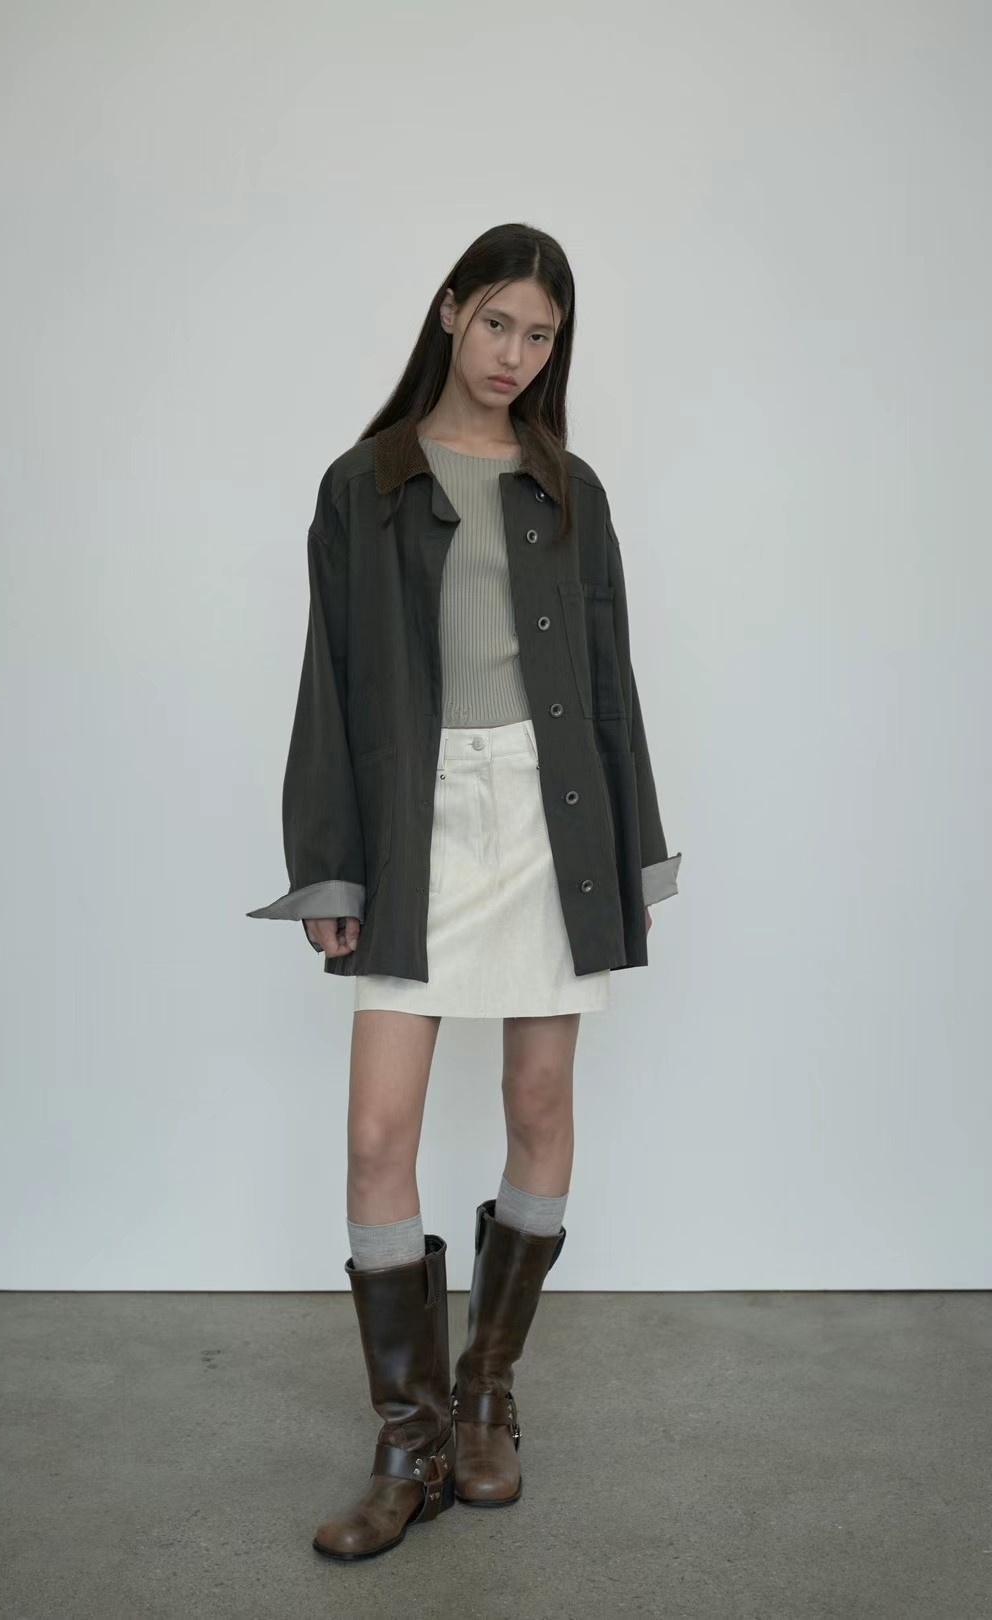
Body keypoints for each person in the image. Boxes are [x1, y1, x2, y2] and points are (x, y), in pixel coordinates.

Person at [247, 222, 682, 1561]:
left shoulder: (569, 488)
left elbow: (609, 684)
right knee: (379, 1134)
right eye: (497, 322)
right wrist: (331, 861)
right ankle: (410, 1439)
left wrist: (636, 852)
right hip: (418, 823)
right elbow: (330, 681)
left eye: (541, 335)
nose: (515, 354)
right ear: (449, 311)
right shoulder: (363, 483)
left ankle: (487, 1396)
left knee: (538, 1104)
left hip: (553, 821)